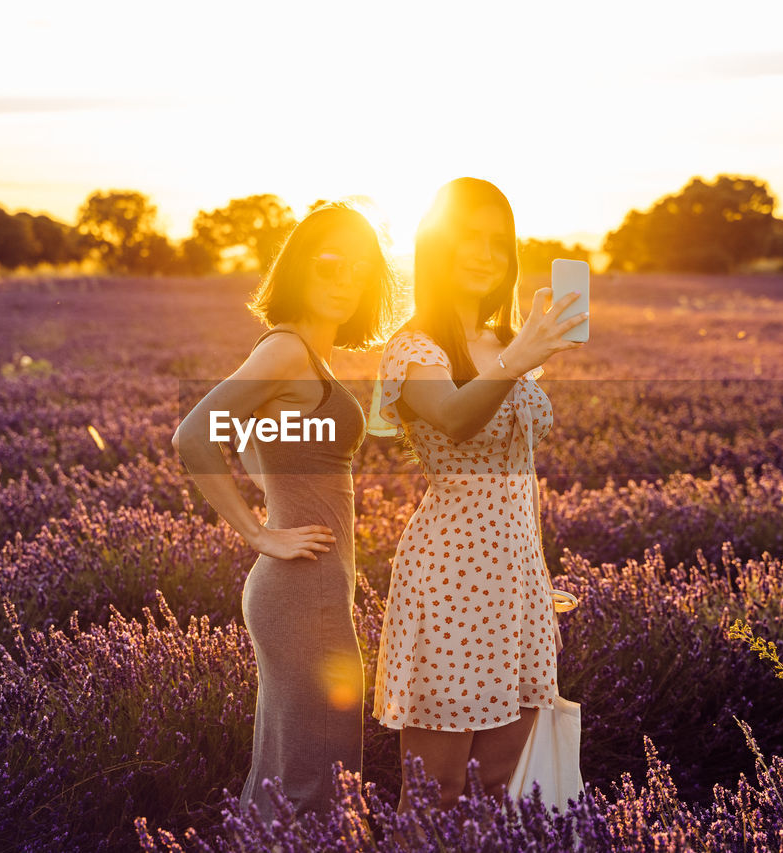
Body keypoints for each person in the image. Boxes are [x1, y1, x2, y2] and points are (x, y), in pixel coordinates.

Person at [172, 202, 398, 820]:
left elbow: (248, 435)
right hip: (302, 592)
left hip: (308, 592)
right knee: (315, 783)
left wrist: (275, 491)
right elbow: (196, 435)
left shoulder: (306, 358)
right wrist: (259, 532)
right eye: (330, 261)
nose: (345, 276)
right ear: (300, 267)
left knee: (289, 774)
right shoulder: (288, 352)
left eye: (361, 266)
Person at [367, 177, 587, 809]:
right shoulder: (414, 349)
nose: (487, 253)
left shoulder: (509, 346)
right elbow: (457, 417)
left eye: (499, 241)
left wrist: (536, 575)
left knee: (503, 788)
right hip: (449, 581)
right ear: (437, 248)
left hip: (514, 584)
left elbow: (523, 476)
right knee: (435, 787)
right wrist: (517, 357)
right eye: (469, 238)